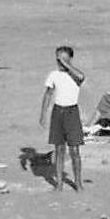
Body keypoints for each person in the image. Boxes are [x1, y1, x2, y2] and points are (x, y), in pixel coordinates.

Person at [38, 46, 86, 192]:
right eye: (58, 59)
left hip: (72, 112)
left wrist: (66, 64)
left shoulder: (75, 75)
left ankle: (78, 182)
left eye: (63, 59)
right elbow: (48, 94)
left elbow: (81, 77)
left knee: (75, 150)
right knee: (59, 149)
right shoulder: (54, 75)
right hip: (58, 111)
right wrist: (43, 113)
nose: (60, 62)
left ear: (70, 59)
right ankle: (59, 182)